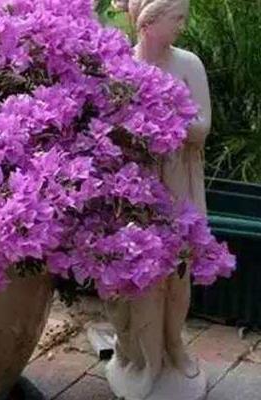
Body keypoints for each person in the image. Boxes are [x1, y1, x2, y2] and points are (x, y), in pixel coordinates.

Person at [102, 1, 211, 399]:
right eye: (176, 18)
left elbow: (202, 129)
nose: (182, 26)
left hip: (177, 178)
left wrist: (162, 111)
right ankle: (139, 356)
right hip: (132, 186)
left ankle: (174, 346)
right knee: (134, 273)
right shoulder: (120, 65)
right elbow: (107, 128)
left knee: (177, 270)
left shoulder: (188, 64)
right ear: (149, 23)